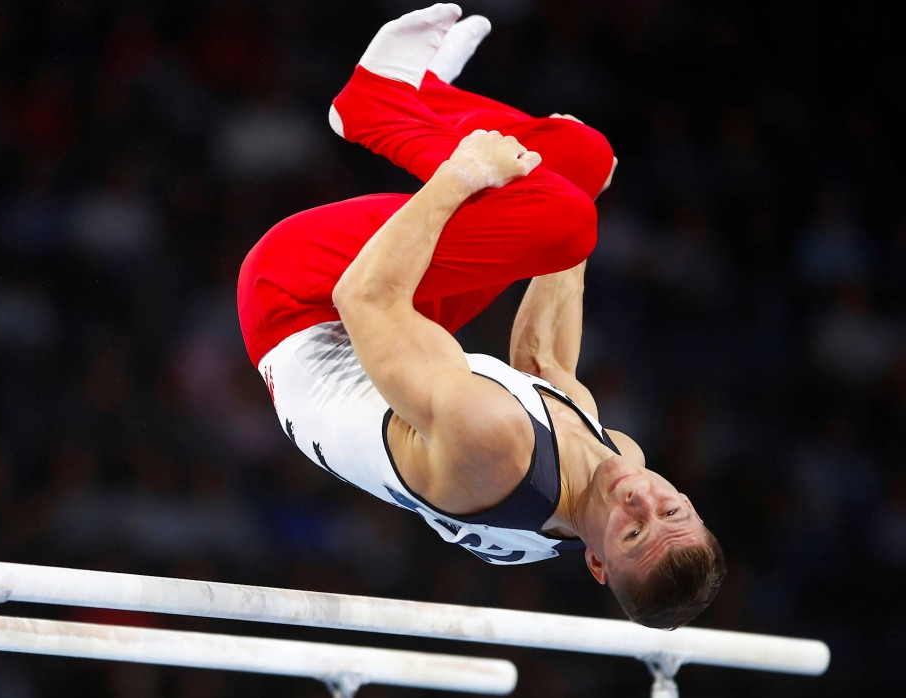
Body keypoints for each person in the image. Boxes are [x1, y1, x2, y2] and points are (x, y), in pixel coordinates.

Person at [235, 4, 725, 629]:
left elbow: (364, 297)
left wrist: (460, 178)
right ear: (689, 502)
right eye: (672, 512)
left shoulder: (492, 447)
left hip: (305, 301)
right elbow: (541, 367)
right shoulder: (612, 459)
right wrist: (566, 212)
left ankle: (376, 106)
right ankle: (427, 92)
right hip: (400, 321)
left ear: (597, 564)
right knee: (583, 164)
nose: (642, 502)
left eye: (633, 535)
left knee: (564, 218)